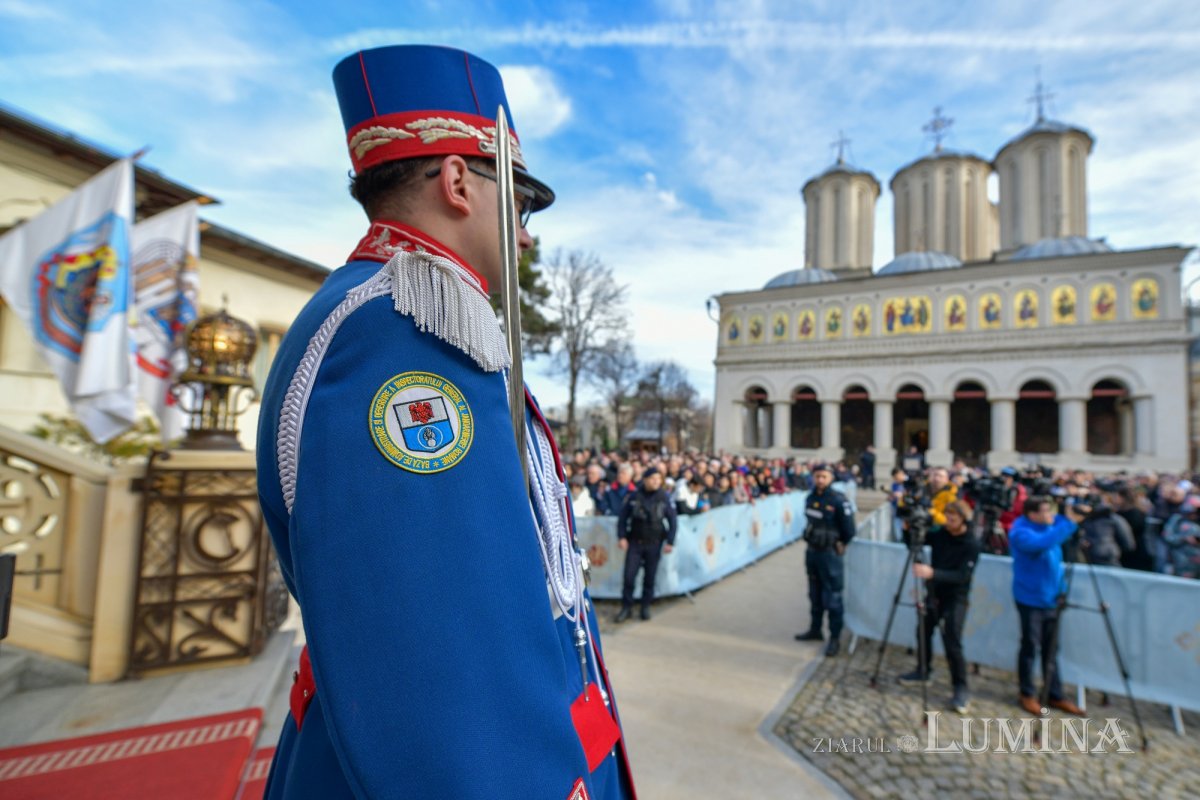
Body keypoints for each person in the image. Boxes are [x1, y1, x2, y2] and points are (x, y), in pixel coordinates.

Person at [256, 45, 634, 799]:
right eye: (520, 204)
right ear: (460, 181)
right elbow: (442, 660)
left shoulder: (426, 321)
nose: (526, 235)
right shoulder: (394, 332)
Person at [897, 501, 981, 715]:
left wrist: (932, 573)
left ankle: (960, 687)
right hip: (934, 594)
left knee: (952, 640)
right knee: (922, 631)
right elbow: (915, 544)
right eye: (947, 516)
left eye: (953, 517)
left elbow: (963, 576)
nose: (949, 520)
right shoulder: (941, 534)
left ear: (964, 519)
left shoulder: (971, 543)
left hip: (956, 597)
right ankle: (923, 670)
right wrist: (908, 529)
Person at [1009, 496, 1085, 716]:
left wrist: (1075, 514)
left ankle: (1055, 693)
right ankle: (1027, 693)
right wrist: (1069, 523)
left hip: (1052, 598)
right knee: (1030, 647)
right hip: (1030, 598)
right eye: (1046, 511)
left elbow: (1056, 556)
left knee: (1052, 650)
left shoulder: (1049, 526)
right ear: (1032, 514)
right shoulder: (1020, 531)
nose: (1051, 515)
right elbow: (1042, 543)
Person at [795, 464, 856, 656]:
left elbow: (849, 530)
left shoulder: (838, 500)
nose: (820, 480)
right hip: (813, 552)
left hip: (830, 554)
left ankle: (835, 638)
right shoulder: (811, 497)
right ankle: (815, 629)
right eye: (817, 476)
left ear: (831, 478)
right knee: (814, 594)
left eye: (824, 476)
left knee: (833, 597)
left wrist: (840, 543)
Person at [615, 468, 678, 621]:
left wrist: (670, 541)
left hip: (654, 543)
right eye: (653, 478)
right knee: (629, 577)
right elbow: (623, 518)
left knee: (649, 578)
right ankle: (626, 608)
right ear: (645, 480)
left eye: (658, 478)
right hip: (635, 543)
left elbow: (673, 520)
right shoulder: (634, 496)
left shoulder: (664, 497)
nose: (656, 481)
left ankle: (645, 607)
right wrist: (622, 537)